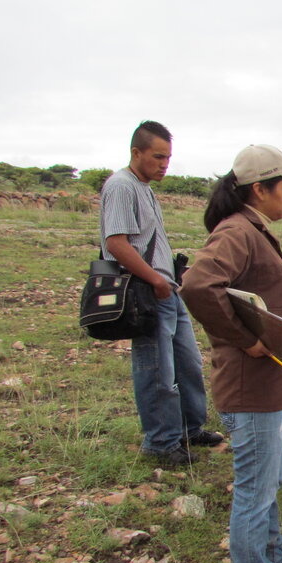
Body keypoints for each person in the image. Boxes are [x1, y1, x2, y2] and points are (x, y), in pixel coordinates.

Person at [180, 145, 282, 563]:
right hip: (252, 383)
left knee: (267, 482)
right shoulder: (238, 231)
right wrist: (245, 340)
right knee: (255, 489)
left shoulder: (252, 229)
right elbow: (199, 286)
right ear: (259, 189)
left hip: (267, 382)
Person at [99, 121, 222, 466]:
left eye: (168, 157)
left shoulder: (144, 187)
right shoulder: (122, 186)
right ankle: (161, 442)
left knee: (187, 364)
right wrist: (155, 279)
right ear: (135, 152)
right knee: (157, 371)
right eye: (157, 156)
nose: (164, 164)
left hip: (167, 289)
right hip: (147, 291)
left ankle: (188, 428)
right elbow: (116, 244)